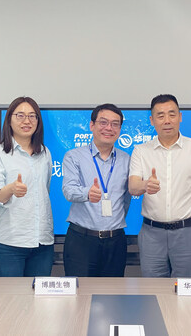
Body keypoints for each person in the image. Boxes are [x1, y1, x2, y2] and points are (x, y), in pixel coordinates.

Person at [129, 94, 191, 278]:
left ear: (180, 117)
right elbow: (133, 186)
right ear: (152, 120)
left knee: (186, 289)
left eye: (172, 114)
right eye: (160, 115)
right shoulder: (141, 151)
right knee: (153, 290)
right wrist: (145, 185)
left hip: (188, 233)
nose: (167, 120)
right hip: (152, 234)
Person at [0, 97, 54, 277]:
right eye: (20, 115)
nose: (27, 121)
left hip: (42, 242)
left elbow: (45, 191)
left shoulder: (45, 153)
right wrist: (11, 189)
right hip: (10, 243)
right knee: (9, 296)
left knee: (39, 295)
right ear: (9, 120)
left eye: (32, 116)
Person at [62, 104, 131, 277]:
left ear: (120, 129)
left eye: (115, 124)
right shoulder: (74, 156)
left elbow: (126, 198)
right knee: (80, 291)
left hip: (116, 241)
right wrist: (87, 193)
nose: (109, 128)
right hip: (81, 240)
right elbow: (68, 190)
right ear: (92, 125)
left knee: (113, 292)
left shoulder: (127, 159)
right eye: (103, 122)